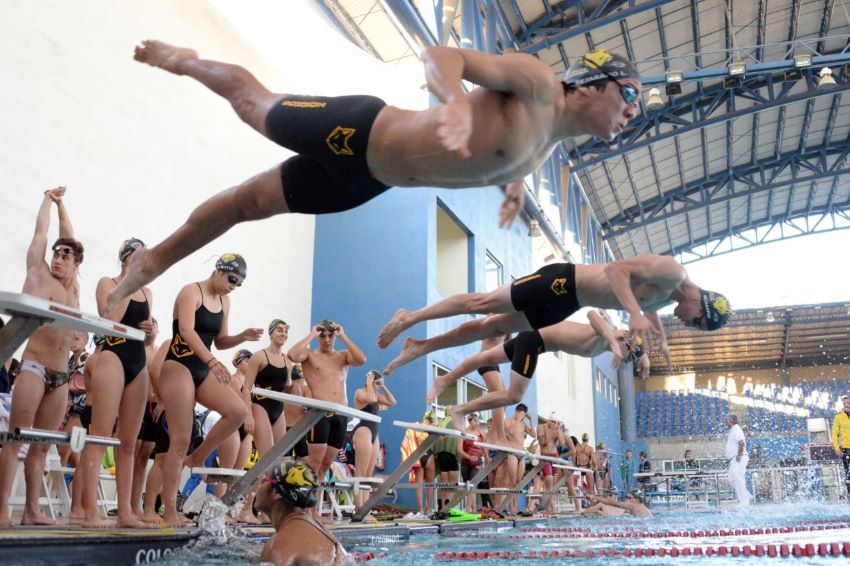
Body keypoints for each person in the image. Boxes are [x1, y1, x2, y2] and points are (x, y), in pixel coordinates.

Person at [105, 42, 642, 312]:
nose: (633, 112)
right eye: (630, 96)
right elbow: (441, 54)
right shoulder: (538, 82)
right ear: (593, 83)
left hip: (367, 183)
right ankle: (188, 61)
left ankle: (150, 262)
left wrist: (515, 185)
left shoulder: (544, 149)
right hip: (359, 130)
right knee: (253, 103)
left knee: (246, 203)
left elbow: (508, 152)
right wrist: (454, 101)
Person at [381, 254, 732, 375]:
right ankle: (410, 317)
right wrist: (633, 312)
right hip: (563, 281)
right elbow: (614, 270)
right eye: (697, 321)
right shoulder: (672, 272)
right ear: (701, 302)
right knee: (483, 303)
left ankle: (421, 346)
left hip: (566, 305)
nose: (691, 324)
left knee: (493, 327)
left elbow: (649, 312)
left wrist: (659, 347)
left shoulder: (669, 297)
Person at [156, 254, 262, 526]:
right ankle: (169, 511)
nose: (232, 287)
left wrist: (242, 337)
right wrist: (213, 362)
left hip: (202, 368)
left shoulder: (225, 300)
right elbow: (187, 331)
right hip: (178, 365)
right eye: (231, 280)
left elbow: (221, 340)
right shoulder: (191, 292)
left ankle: (200, 455)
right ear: (218, 271)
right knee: (180, 439)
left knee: (237, 411)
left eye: (238, 284)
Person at [0, 187, 82, 527]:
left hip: (61, 376)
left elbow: (70, 237)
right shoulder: (38, 273)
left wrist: (65, 205)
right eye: (57, 253)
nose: (58, 257)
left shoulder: (74, 289)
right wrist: (48, 200)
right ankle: (2, 509)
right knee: (16, 438)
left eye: (66, 255)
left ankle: (32, 511)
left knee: (42, 446)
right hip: (33, 368)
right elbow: (42, 234)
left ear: (77, 263)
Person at [427, 310, 647, 430]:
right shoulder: (608, 333)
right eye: (629, 357)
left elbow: (626, 344)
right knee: (514, 395)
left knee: (484, 359)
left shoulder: (610, 346)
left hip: (532, 338)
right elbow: (592, 314)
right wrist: (614, 338)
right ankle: (460, 410)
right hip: (535, 342)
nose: (625, 361)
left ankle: (444, 379)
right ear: (626, 342)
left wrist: (628, 353)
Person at [79, 238, 156, 528]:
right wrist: (128, 282)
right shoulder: (107, 282)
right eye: (138, 257)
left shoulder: (147, 291)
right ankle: (89, 511)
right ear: (125, 259)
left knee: (128, 444)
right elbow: (109, 316)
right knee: (99, 436)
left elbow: (146, 337)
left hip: (138, 361)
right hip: (112, 356)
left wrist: (150, 333)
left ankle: (125, 512)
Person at [288, 319, 366, 514]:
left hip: (340, 415)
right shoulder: (310, 355)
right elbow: (292, 354)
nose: (326, 339)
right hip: (319, 414)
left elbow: (361, 359)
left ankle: (315, 509)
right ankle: (304, 510)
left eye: (330, 335)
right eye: (323, 335)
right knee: (313, 464)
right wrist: (312, 334)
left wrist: (344, 335)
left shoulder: (342, 356)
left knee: (325, 465)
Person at [254, 459, 348, 565]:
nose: (257, 486)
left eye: (263, 481)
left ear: (276, 492)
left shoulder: (280, 543)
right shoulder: (323, 532)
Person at [242, 319, 293, 462]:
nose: (283, 334)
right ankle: (257, 484)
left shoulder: (287, 361)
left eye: (286, 331)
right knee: (267, 459)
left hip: (278, 408)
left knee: (279, 457)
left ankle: (269, 485)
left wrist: (291, 386)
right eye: (280, 330)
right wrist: (248, 416)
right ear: (271, 334)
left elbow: (286, 389)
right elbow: (246, 388)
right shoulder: (259, 356)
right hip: (260, 406)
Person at [351, 370, 396, 513]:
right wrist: (371, 383)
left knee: (368, 475)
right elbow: (370, 399)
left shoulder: (376, 394)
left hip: (374, 435)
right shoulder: (360, 392)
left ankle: (365, 508)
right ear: (369, 381)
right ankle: (359, 508)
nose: (379, 386)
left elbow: (392, 402)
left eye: (380, 383)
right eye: (377, 383)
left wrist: (384, 386)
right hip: (363, 430)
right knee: (361, 472)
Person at [400, 411, 436, 516]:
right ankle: (428, 510)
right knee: (430, 485)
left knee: (419, 485)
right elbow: (442, 439)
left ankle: (421, 510)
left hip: (419, 456)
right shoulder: (432, 429)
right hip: (428, 456)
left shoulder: (416, 427)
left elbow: (408, 440)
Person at [456, 413, 486, 513]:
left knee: (472, 484)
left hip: (477, 462)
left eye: (478, 421)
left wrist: (486, 460)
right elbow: (459, 450)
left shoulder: (482, 433)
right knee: (467, 486)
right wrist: (469, 457)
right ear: (469, 421)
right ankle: (472, 507)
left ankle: (467, 508)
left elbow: (485, 448)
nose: (477, 423)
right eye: (475, 421)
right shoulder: (464, 432)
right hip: (465, 461)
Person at [724, 413, 750, 508]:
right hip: (734, 459)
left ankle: (744, 502)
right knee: (731, 479)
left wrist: (739, 455)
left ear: (731, 421)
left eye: (727, 420)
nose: (726, 422)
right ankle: (746, 495)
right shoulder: (732, 430)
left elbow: (741, 442)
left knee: (738, 477)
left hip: (740, 457)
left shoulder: (737, 429)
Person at [832, 393, 850, 500]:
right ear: (843, 403)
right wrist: (836, 448)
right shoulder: (839, 417)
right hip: (847, 449)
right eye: (847, 403)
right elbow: (835, 434)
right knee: (848, 474)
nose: (849, 405)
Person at [583, 492, 651, 517]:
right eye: (627, 498)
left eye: (630, 498)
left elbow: (612, 502)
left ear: (637, 500)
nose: (628, 500)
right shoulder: (641, 506)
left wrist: (594, 497)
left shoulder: (633, 505)